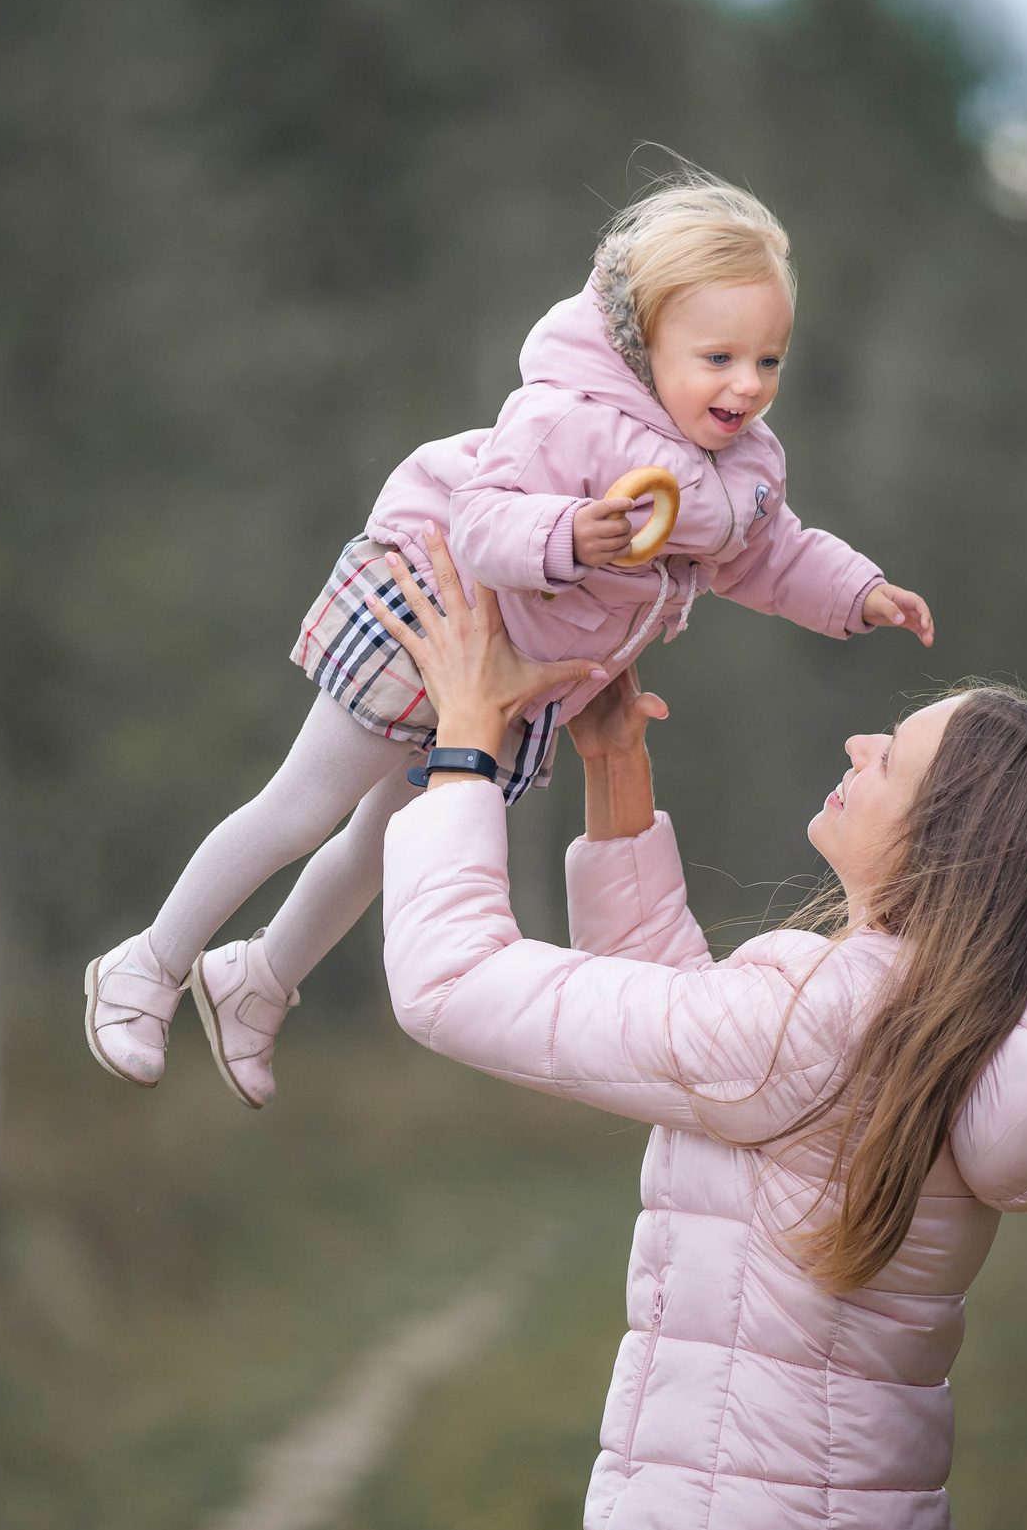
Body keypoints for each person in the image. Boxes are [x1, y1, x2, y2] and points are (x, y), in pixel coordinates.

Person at [370, 527, 1027, 1530]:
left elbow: (450, 983)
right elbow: (703, 1058)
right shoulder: (915, 1017)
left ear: (946, 839)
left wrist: (464, 748)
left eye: (895, 756)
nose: (856, 744)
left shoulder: (829, 1011)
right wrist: (616, 770)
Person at [86, 170, 936, 1108]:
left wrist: (857, 593)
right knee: (303, 805)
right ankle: (148, 962)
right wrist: (566, 535)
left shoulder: (742, 469)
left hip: (517, 679)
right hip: (441, 615)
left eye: (768, 361)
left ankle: (257, 981)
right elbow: (484, 518)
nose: (747, 386)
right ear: (644, 341)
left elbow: (769, 554)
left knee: (385, 847)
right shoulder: (568, 418)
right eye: (720, 357)